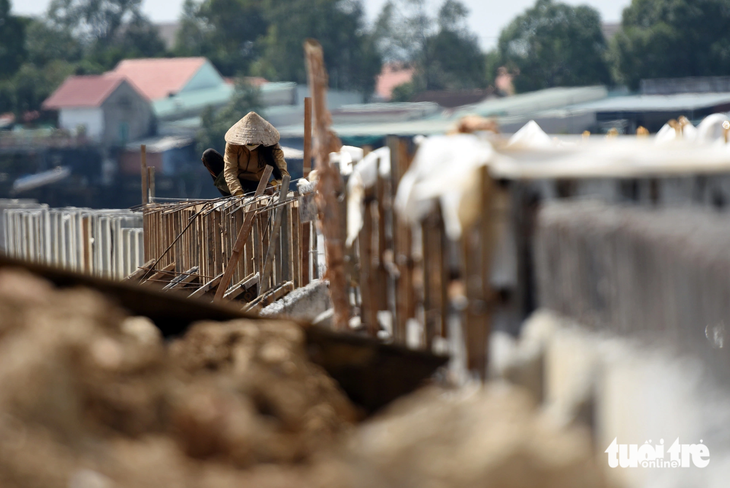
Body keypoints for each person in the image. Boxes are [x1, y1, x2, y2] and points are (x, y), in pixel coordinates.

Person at [222, 112, 289, 197]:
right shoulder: (233, 145)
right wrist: (238, 194)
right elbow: (230, 171)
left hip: (257, 184)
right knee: (209, 155)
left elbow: (284, 174)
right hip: (236, 182)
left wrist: (273, 185)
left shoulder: (272, 145)